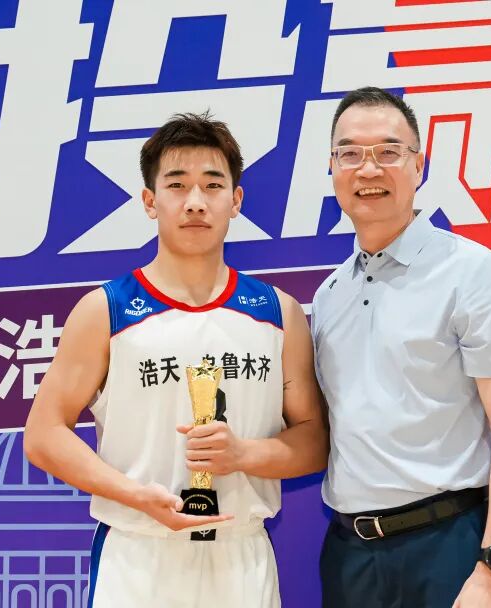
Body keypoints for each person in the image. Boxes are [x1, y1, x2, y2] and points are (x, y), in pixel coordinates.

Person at [24, 112, 328, 608]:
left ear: (236, 200)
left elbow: (314, 441)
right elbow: (43, 435)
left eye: (213, 185)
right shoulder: (106, 310)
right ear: (150, 201)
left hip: (241, 554)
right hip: (140, 552)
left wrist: (243, 455)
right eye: (177, 185)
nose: (195, 202)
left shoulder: (278, 313)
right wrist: (135, 495)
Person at [312, 87, 491, 608]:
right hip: (350, 556)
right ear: (333, 168)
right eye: (351, 153)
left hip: (450, 545)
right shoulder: (329, 294)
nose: (369, 169)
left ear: (419, 166)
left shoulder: (473, 272)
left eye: (388, 152)